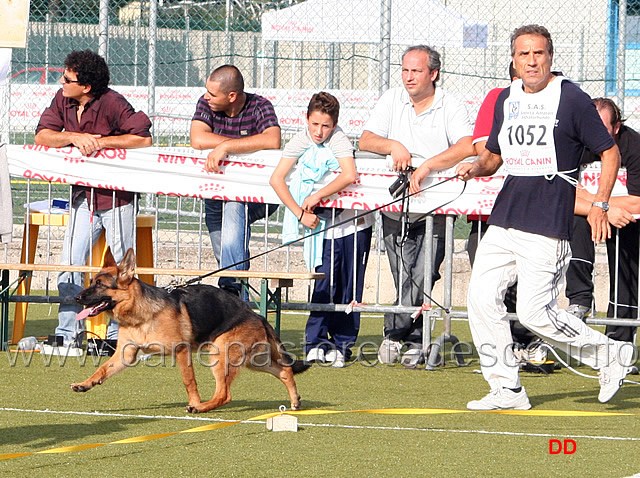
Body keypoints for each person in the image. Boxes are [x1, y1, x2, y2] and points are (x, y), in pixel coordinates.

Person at [456, 25, 632, 411]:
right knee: (481, 299)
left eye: (538, 53)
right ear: (514, 61)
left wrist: (601, 203)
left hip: (548, 220)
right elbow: (494, 157)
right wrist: (476, 167)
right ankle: (507, 389)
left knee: (537, 314)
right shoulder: (506, 97)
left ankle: (608, 354)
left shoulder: (570, 98)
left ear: (550, 57)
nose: (531, 61)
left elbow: (609, 153)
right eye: (524, 54)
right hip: (505, 216)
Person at [359, 45, 474, 366]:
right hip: (395, 205)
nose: (408, 77)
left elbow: (467, 145)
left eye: (416, 71)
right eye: (405, 70)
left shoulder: (450, 105)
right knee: (403, 274)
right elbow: (366, 140)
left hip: (435, 206)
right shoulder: (391, 99)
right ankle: (411, 335)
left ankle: (397, 335)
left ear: (433, 74)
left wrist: (427, 167)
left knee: (423, 274)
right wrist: (393, 144)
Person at [35, 50, 152, 345]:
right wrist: (73, 137)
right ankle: (67, 333)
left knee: (123, 272)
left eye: (66, 78)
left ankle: (120, 335)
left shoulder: (113, 102)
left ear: (86, 87)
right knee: (70, 263)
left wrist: (100, 142)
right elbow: (42, 135)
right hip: (82, 199)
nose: (60, 82)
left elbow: (142, 138)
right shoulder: (62, 99)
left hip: (118, 200)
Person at [270, 92, 373, 367]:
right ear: (307, 119)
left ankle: (342, 344)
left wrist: (317, 196)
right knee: (324, 282)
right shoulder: (301, 138)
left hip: (352, 223)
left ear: (335, 124)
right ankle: (315, 342)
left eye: (325, 126)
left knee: (349, 285)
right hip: (321, 229)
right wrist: (299, 213)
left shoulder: (339, 140)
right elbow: (277, 179)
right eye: (314, 124)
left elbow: (348, 174)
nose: (319, 131)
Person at [190, 65, 281, 296]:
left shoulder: (261, 106)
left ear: (232, 96)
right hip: (214, 192)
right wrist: (243, 144)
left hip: (253, 194)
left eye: (212, 94)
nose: (206, 97)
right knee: (228, 253)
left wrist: (226, 146)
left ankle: (230, 291)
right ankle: (239, 301)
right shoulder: (206, 103)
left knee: (234, 207)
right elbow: (198, 138)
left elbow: (272, 140)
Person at [572, 98, 640, 343]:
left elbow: (637, 202)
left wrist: (600, 205)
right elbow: (563, 195)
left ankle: (619, 341)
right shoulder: (575, 142)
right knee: (575, 220)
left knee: (626, 243)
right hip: (592, 214)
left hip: (627, 218)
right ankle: (579, 299)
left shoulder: (634, 145)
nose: (595, 134)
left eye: (603, 128)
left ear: (617, 128)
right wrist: (598, 207)